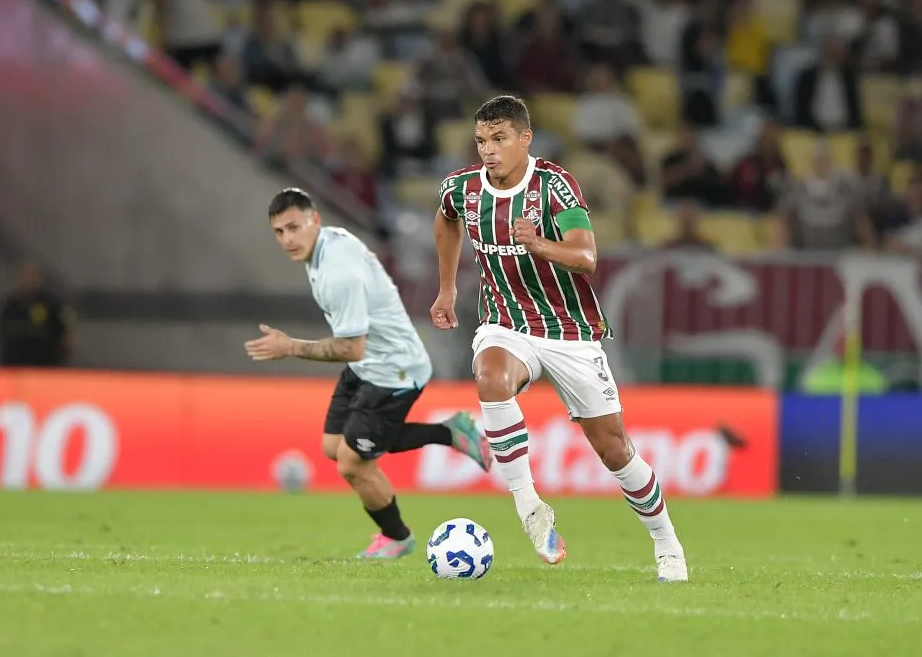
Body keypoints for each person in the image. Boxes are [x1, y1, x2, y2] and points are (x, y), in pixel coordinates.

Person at [430, 95, 689, 582]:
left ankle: (666, 541)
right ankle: (529, 506)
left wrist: (539, 243)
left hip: (569, 330)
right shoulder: (460, 190)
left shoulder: (553, 186)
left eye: (500, 139)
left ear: (525, 138)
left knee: (614, 449)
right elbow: (445, 221)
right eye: (482, 140)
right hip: (505, 322)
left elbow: (586, 256)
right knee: (490, 377)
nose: (488, 150)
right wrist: (447, 289)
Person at [244, 188, 492, 560]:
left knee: (352, 462)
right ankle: (450, 432)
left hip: (393, 372)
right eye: (279, 232)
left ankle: (397, 537)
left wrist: (290, 347)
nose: (288, 239)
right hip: (368, 366)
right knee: (334, 446)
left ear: (315, 221)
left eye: (294, 227)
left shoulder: (336, 274)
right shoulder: (328, 244)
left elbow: (351, 347)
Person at [0, 263, 75, 368]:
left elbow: (65, 325)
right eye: (26, 277)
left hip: (45, 362)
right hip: (17, 362)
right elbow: (3, 330)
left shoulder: (50, 303)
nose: (29, 281)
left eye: (32, 277)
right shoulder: (11, 305)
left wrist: (66, 343)